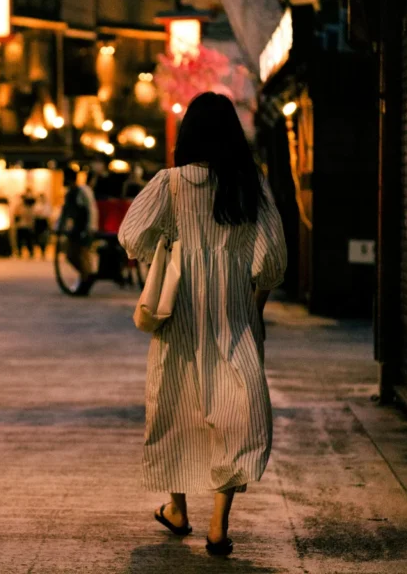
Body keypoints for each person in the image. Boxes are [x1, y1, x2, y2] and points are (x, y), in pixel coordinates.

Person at [118, 92, 287, 556]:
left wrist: (170, 250)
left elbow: (131, 236)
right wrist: (254, 312)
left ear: (188, 135)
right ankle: (218, 525)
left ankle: (177, 510)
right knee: (236, 414)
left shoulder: (169, 184)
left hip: (180, 319)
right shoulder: (250, 185)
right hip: (234, 316)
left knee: (173, 409)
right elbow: (272, 262)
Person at [58, 167, 99, 296]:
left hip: (83, 229)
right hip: (75, 229)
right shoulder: (69, 193)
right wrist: (59, 227)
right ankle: (86, 277)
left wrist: (90, 228)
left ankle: (86, 280)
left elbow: (91, 210)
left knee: (81, 255)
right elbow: (65, 213)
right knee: (72, 255)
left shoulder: (82, 191)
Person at [14, 189, 37, 258]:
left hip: (27, 226)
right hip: (21, 225)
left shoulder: (30, 207)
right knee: (20, 240)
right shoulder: (19, 206)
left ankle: (30, 252)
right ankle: (20, 252)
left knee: (28, 240)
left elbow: (32, 216)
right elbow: (16, 215)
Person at [32, 193, 52, 259]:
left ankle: (44, 250)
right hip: (38, 222)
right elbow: (35, 213)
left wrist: (41, 212)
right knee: (39, 237)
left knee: (44, 237)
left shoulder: (47, 205)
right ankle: (40, 250)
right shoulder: (36, 205)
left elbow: (47, 213)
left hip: (44, 222)